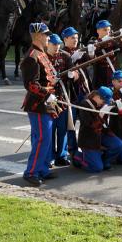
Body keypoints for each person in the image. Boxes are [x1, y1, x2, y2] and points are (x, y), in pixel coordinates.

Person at [20, 22, 58, 186]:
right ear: (38, 36)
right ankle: (31, 172)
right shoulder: (32, 57)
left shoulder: (41, 53)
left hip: (45, 103)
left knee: (46, 139)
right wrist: (47, 92)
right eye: (46, 34)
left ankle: (42, 168)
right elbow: (31, 85)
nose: (48, 37)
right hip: (38, 105)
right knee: (42, 139)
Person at [72, 86, 122, 172]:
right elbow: (89, 125)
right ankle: (79, 157)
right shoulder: (85, 104)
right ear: (96, 96)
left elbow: (121, 118)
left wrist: (121, 109)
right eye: (103, 101)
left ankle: (104, 161)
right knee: (96, 168)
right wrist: (100, 115)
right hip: (89, 139)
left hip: (102, 134)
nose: (104, 103)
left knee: (119, 145)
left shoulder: (103, 104)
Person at [60, 26, 91, 157]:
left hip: (83, 90)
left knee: (86, 120)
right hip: (71, 92)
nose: (75, 40)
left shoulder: (80, 51)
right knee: (71, 123)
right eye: (72, 38)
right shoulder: (61, 53)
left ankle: (86, 146)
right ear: (65, 39)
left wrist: (91, 53)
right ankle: (71, 149)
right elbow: (63, 70)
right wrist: (72, 58)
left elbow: (89, 62)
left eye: (77, 38)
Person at [46, 34, 75, 167]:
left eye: (58, 44)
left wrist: (71, 75)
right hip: (49, 98)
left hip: (63, 96)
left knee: (62, 128)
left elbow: (73, 75)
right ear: (48, 44)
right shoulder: (43, 57)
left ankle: (61, 155)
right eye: (54, 44)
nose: (57, 47)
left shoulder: (66, 56)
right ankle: (50, 156)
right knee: (51, 129)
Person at [88, 20, 122, 87]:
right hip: (100, 75)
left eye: (109, 30)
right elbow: (92, 57)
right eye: (105, 30)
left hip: (112, 72)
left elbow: (121, 50)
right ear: (98, 31)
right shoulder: (93, 42)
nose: (107, 32)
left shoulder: (112, 41)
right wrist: (103, 41)